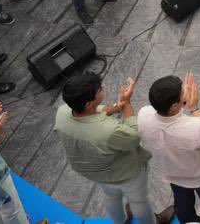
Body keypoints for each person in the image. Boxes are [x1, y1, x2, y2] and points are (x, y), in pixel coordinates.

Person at [55, 73, 162, 224]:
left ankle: (120, 221)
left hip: (96, 172)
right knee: (139, 202)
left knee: (111, 196)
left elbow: (94, 112)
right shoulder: (109, 130)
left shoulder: (62, 112)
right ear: (88, 104)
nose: (103, 88)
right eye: (99, 89)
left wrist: (116, 108)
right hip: (126, 174)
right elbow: (133, 137)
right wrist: (127, 103)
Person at [138, 74, 200, 224]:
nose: (185, 93)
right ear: (174, 105)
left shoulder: (143, 115)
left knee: (183, 206)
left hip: (174, 176)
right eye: (182, 92)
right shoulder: (197, 127)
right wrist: (194, 108)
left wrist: (181, 102)